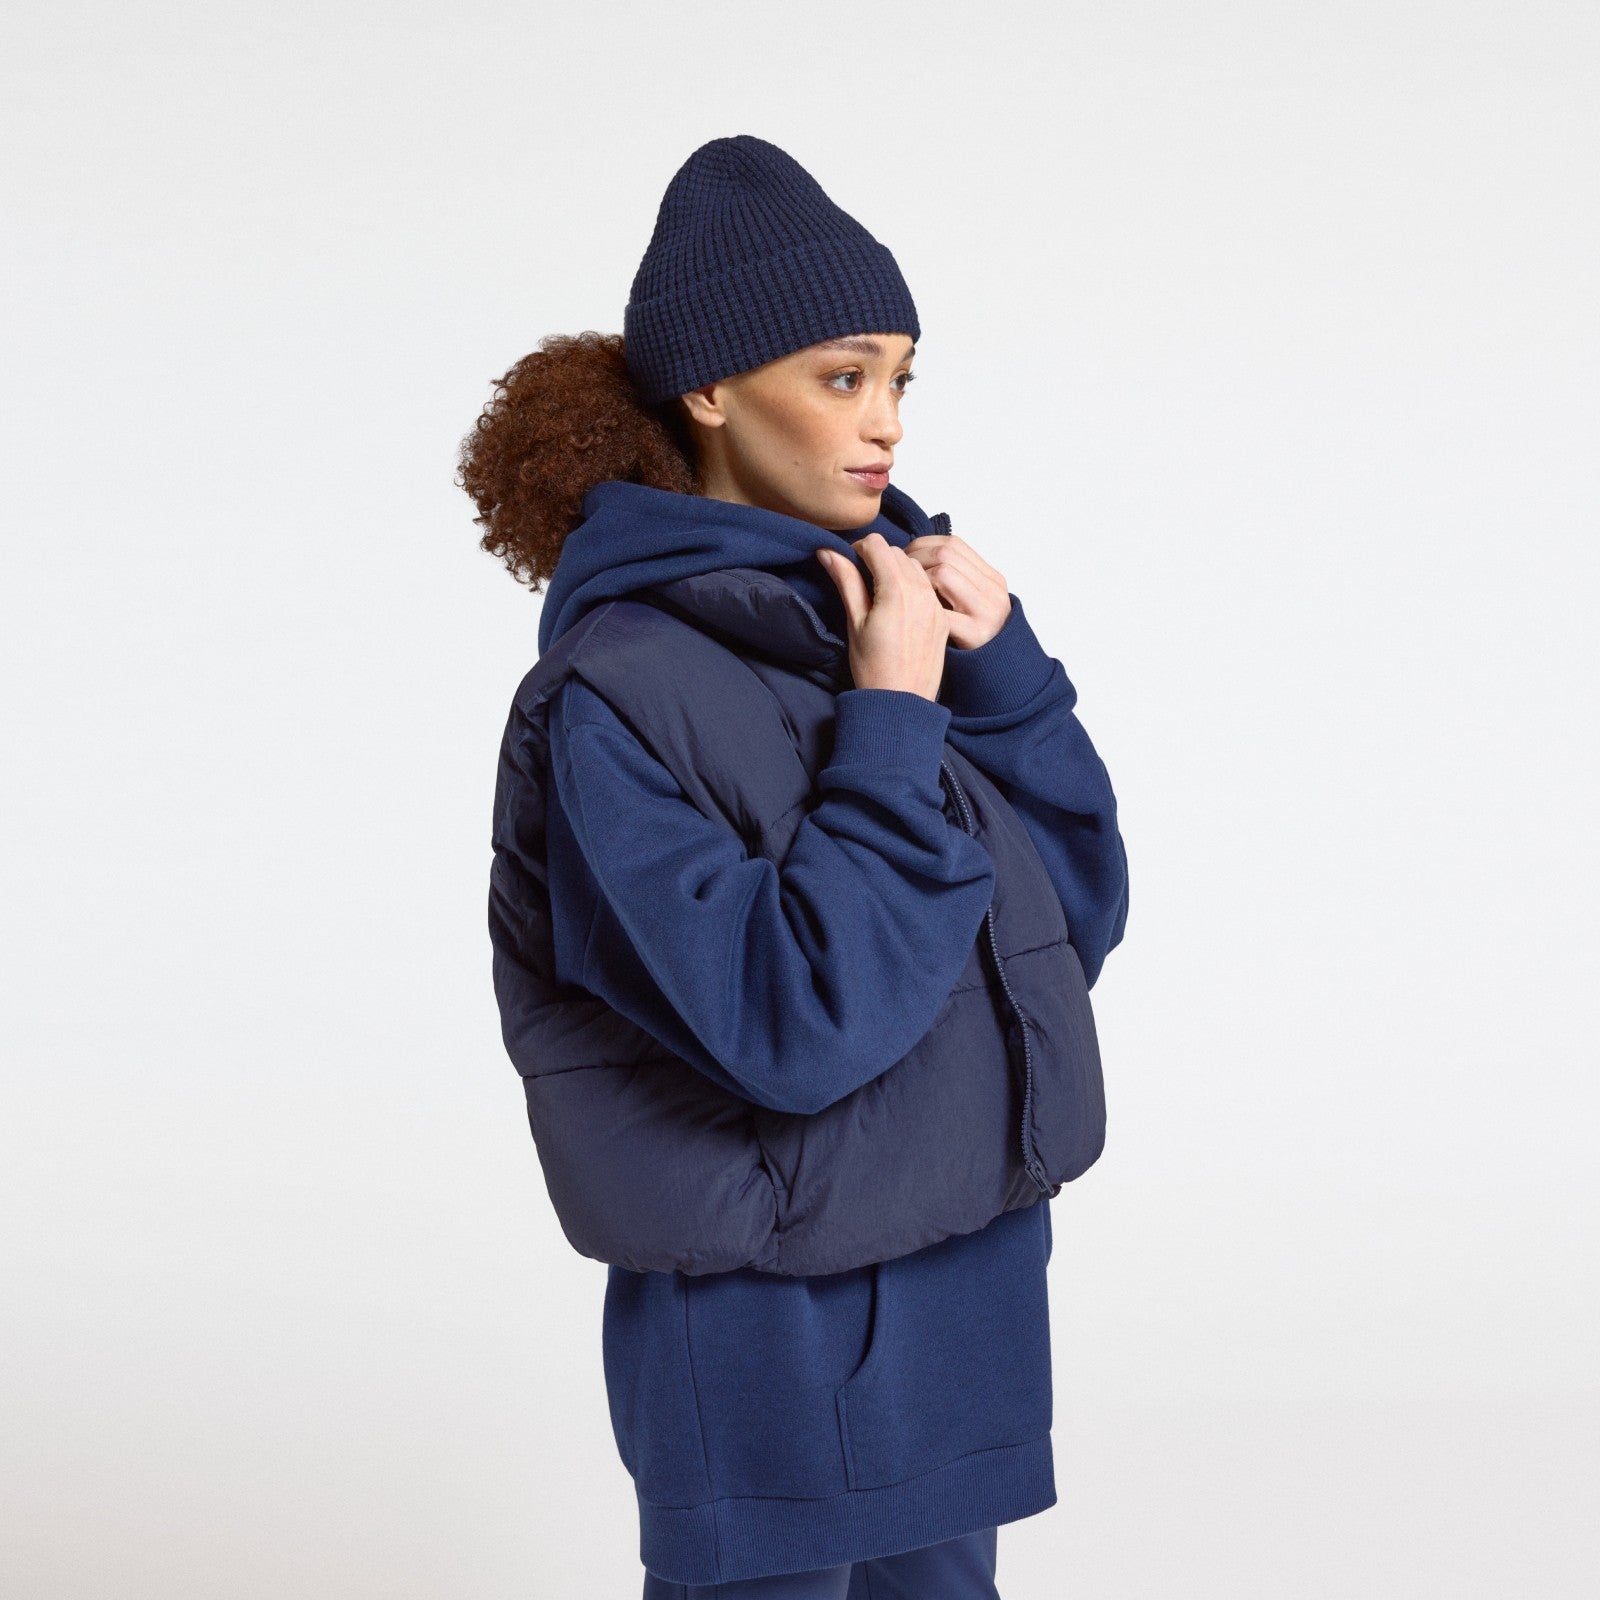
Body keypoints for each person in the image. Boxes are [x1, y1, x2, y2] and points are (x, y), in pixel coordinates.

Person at [460, 135, 1130, 1599]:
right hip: (767, 1318)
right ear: (709, 389)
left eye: (901, 379)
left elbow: (1068, 928)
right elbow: (790, 1022)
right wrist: (889, 723)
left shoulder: (874, 611)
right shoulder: (616, 691)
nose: (884, 422)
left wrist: (1004, 684)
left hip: (962, 1275)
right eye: (842, 377)